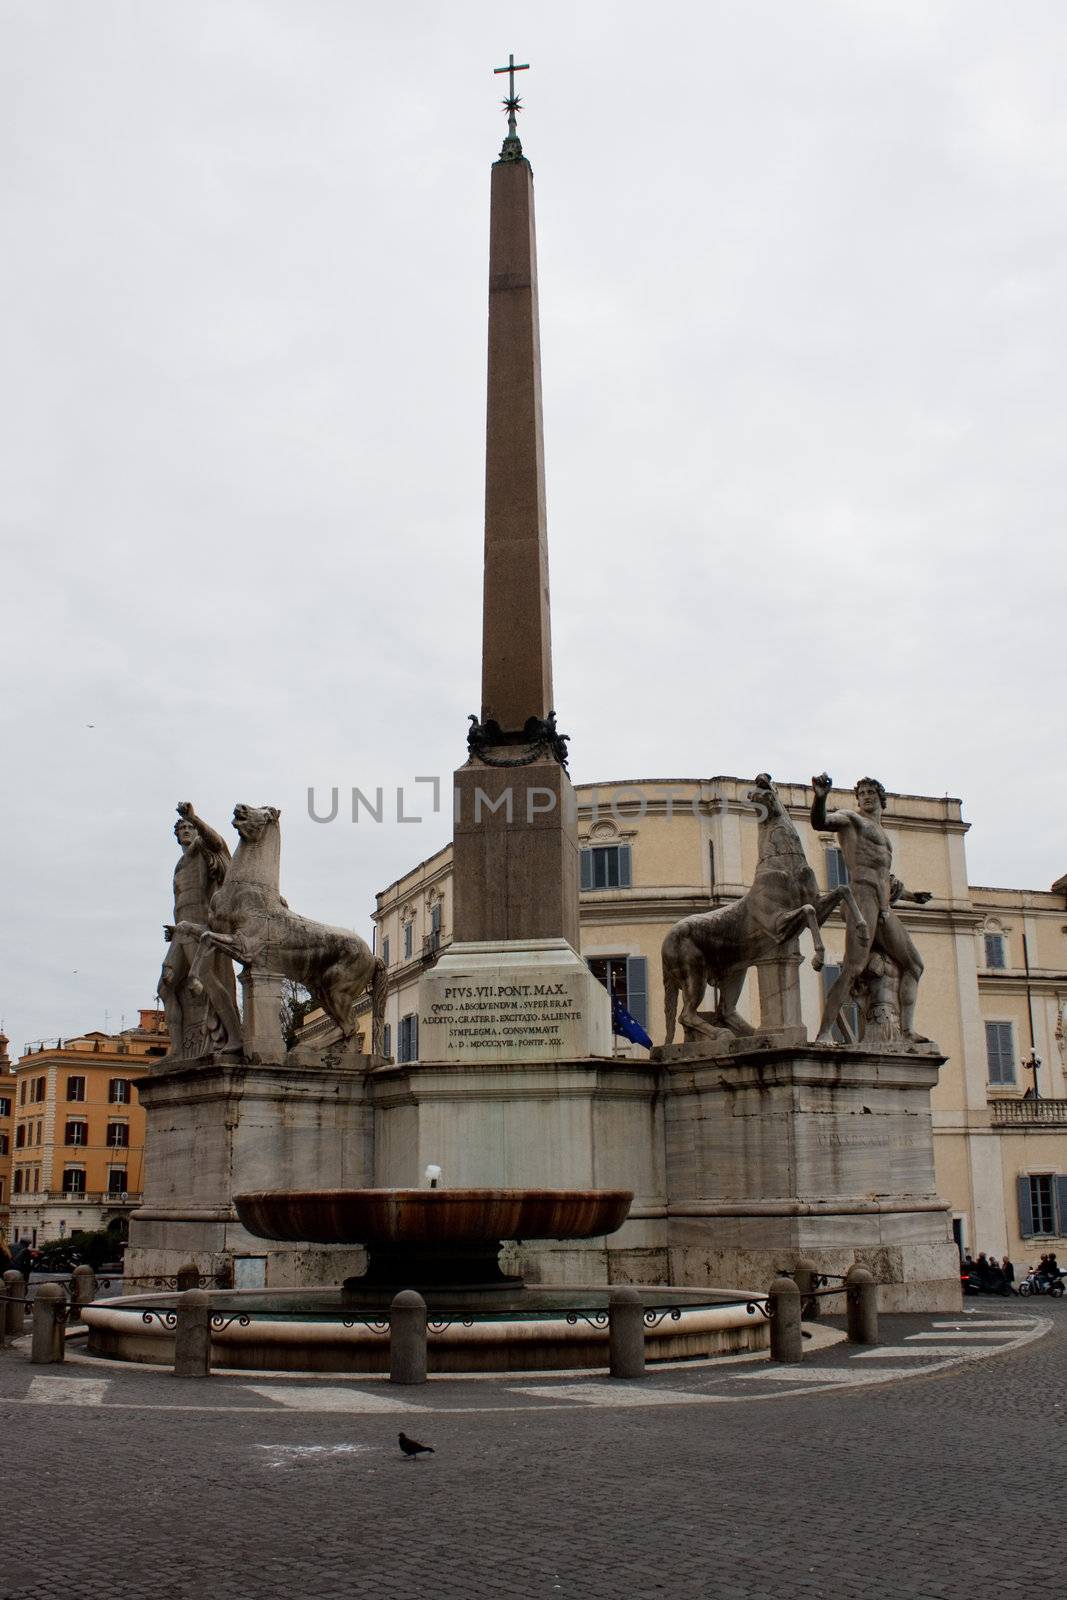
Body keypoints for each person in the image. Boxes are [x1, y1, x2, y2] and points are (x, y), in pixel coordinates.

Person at [810, 774, 932, 1042]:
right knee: (853, 967)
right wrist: (820, 797)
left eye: (870, 792)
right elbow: (820, 822)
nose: (865, 796)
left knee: (915, 965)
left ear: (880, 798)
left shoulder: (885, 838)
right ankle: (824, 1033)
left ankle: (907, 1031)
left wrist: (912, 896)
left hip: (883, 904)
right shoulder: (852, 821)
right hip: (861, 898)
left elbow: (884, 878)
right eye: (861, 793)